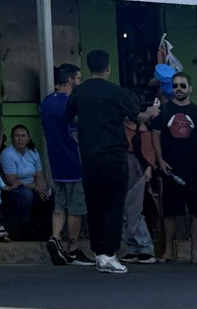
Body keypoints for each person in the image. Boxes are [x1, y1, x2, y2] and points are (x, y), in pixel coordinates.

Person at [65, 50, 160, 274]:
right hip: (113, 154)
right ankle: (109, 253)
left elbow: (68, 117)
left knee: (94, 204)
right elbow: (138, 117)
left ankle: (99, 252)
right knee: (114, 205)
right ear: (108, 68)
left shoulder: (79, 92)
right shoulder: (117, 91)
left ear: (89, 68)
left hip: (88, 155)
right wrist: (152, 111)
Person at [150, 74, 197, 263]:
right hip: (171, 168)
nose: (178, 88)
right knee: (169, 212)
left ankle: (195, 252)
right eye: (175, 85)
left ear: (190, 88)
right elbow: (155, 135)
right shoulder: (163, 111)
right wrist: (160, 160)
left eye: (183, 85)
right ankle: (168, 251)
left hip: (195, 168)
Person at [40, 63, 93, 266]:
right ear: (70, 79)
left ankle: (55, 237)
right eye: (78, 78)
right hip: (74, 160)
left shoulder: (46, 103)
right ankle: (73, 248)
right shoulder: (71, 103)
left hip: (56, 160)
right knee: (76, 208)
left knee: (59, 205)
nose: (79, 82)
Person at [0, 125, 50, 238]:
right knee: (26, 195)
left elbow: (39, 175)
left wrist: (42, 189)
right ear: (12, 138)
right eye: (17, 136)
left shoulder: (33, 152)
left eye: (23, 136)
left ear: (28, 138)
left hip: (31, 185)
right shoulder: (7, 154)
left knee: (49, 195)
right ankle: (24, 230)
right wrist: (35, 188)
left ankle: (45, 231)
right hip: (13, 189)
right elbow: (12, 181)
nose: (20, 139)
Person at [121, 111, 157, 265]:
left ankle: (145, 247)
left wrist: (148, 166)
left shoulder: (142, 129)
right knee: (123, 211)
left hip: (137, 169)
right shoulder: (119, 127)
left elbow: (148, 151)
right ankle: (132, 247)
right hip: (122, 168)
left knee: (135, 210)